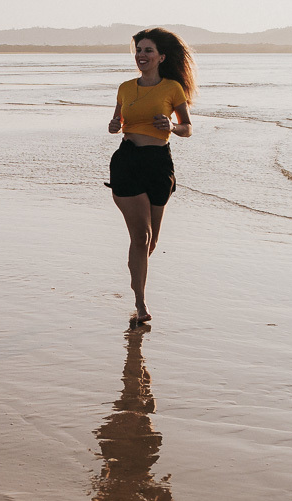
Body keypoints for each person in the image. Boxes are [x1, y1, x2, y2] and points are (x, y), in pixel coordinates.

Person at [107, 28, 196, 323]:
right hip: (128, 160)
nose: (141, 55)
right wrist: (114, 125)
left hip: (159, 163)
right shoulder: (124, 87)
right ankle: (141, 303)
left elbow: (187, 128)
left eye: (147, 51)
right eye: (138, 50)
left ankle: (135, 274)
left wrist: (170, 127)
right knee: (141, 236)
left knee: (151, 241)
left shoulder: (172, 89)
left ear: (161, 57)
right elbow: (119, 121)